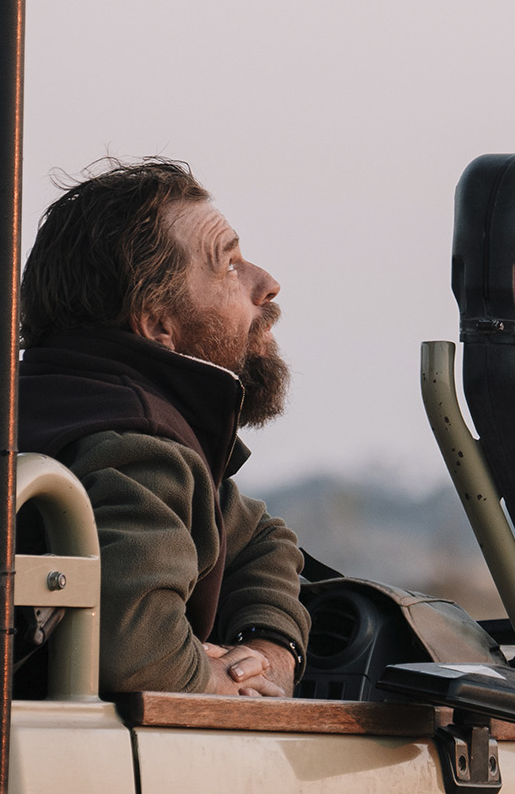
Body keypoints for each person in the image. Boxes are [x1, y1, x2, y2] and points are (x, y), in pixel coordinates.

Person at [16, 157, 312, 697]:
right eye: (228, 266)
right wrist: (221, 685)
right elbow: (140, 656)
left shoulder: (42, 408)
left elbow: (261, 539)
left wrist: (268, 648)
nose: (267, 284)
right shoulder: (139, 447)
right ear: (157, 324)